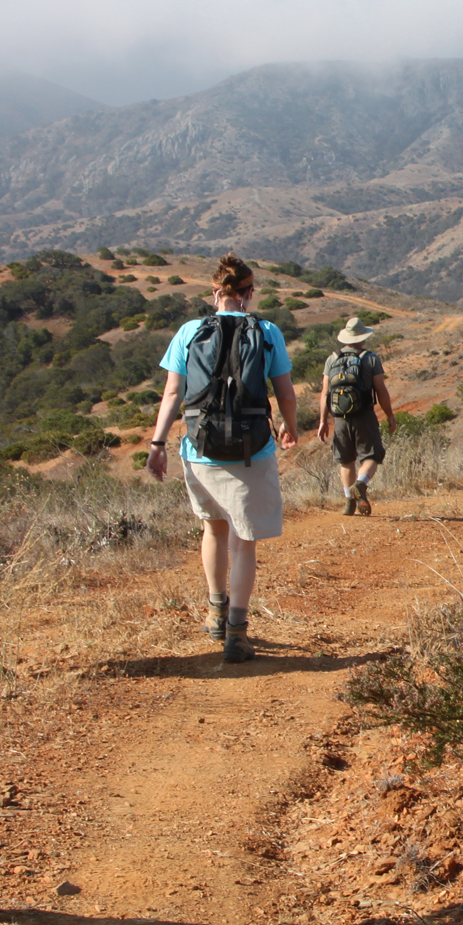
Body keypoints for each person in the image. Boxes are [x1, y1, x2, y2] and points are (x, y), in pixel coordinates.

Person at [148, 254, 299, 664]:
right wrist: (289, 426)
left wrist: (157, 444)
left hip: (200, 448)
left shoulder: (188, 331)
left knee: (212, 530)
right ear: (249, 294)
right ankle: (237, 631)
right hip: (252, 450)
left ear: (215, 293)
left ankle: (215, 614)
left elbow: (172, 393)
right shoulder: (267, 332)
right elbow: (284, 391)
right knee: (244, 540)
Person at [318, 317, 396, 516]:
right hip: (364, 415)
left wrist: (323, 421)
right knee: (372, 456)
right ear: (362, 337)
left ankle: (349, 502)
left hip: (340, 418)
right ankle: (361, 484)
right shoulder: (370, 358)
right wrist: (390, 415)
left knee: (346, 460)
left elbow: (325, 393)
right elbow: (381, 390)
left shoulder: (332, 358)